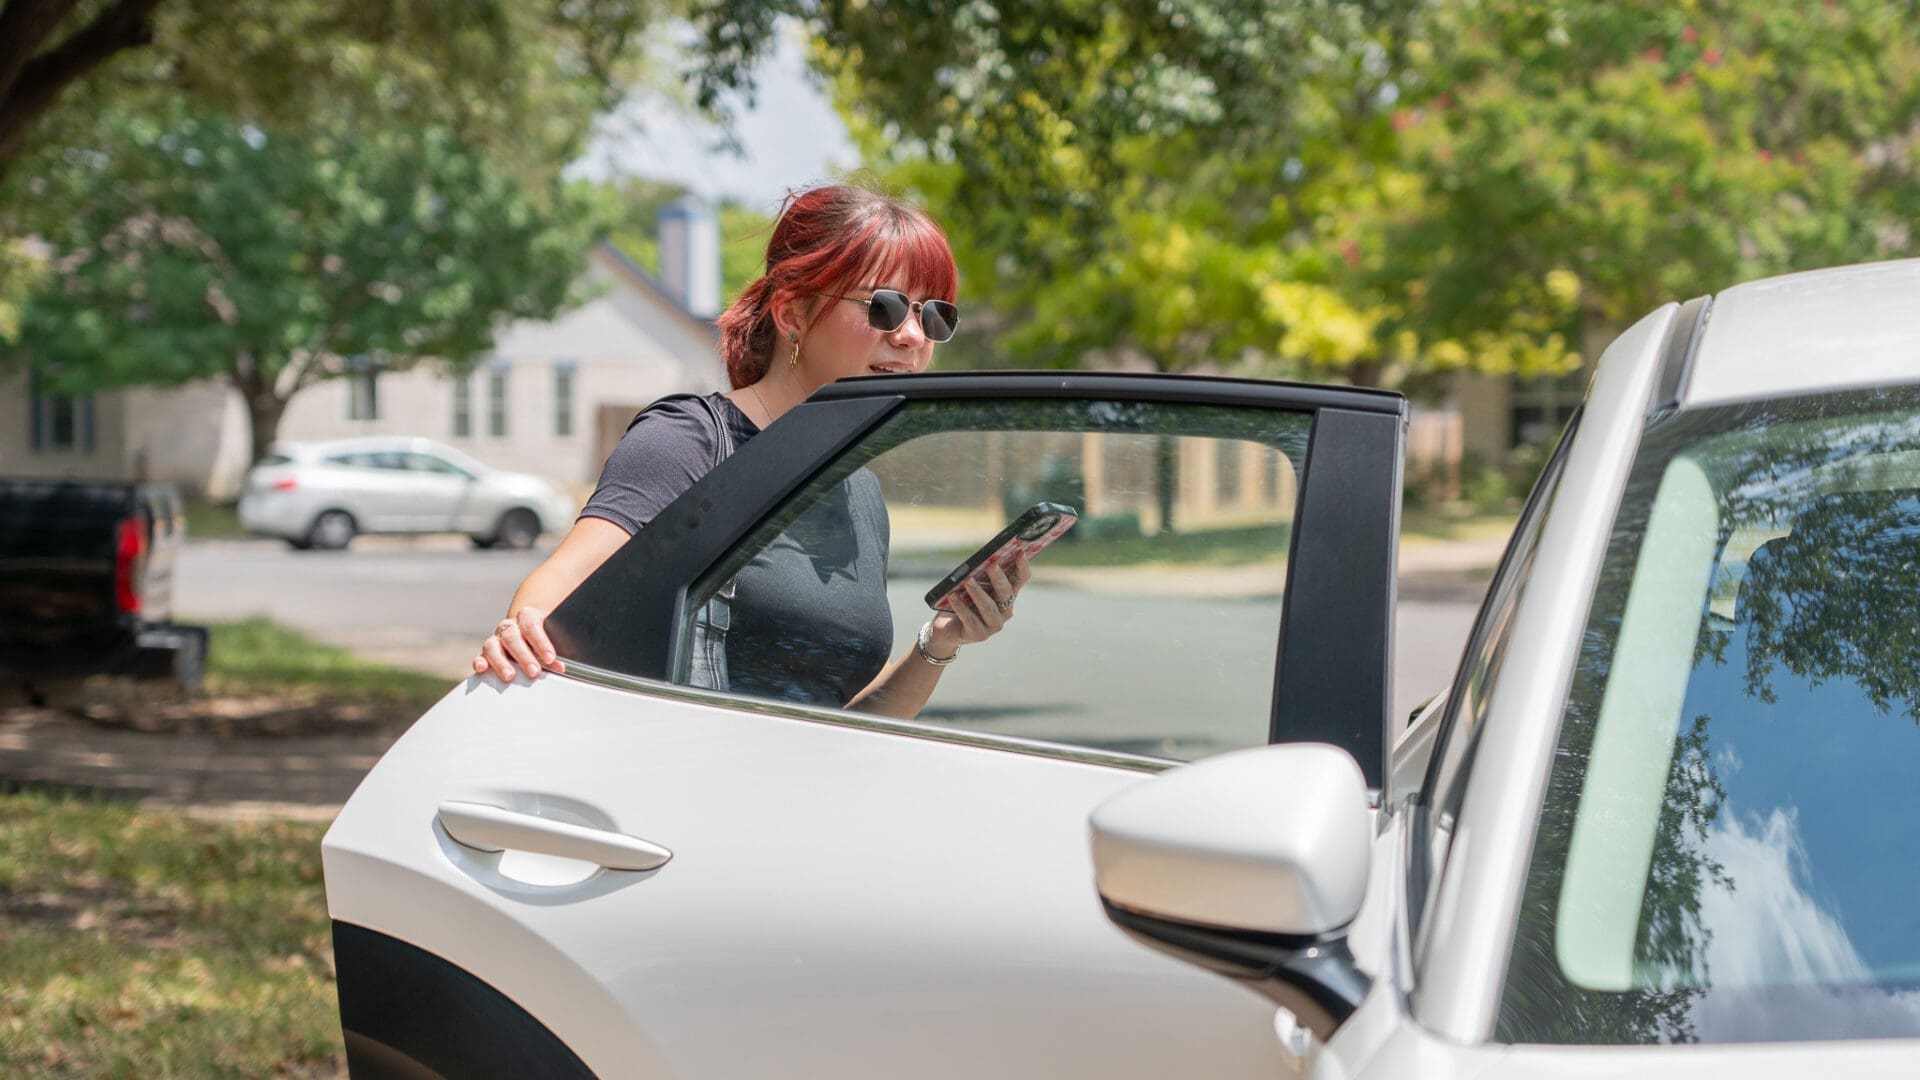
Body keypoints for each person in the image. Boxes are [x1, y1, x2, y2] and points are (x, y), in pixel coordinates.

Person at [472, 181, 1027, 719]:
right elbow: (552, 594)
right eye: (885, 307)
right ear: (793, 316)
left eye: (934, 315)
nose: (912, 335)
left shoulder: (859, 491)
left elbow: (842, 728)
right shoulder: (689, 442)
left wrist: (940, 643)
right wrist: (525, 629)